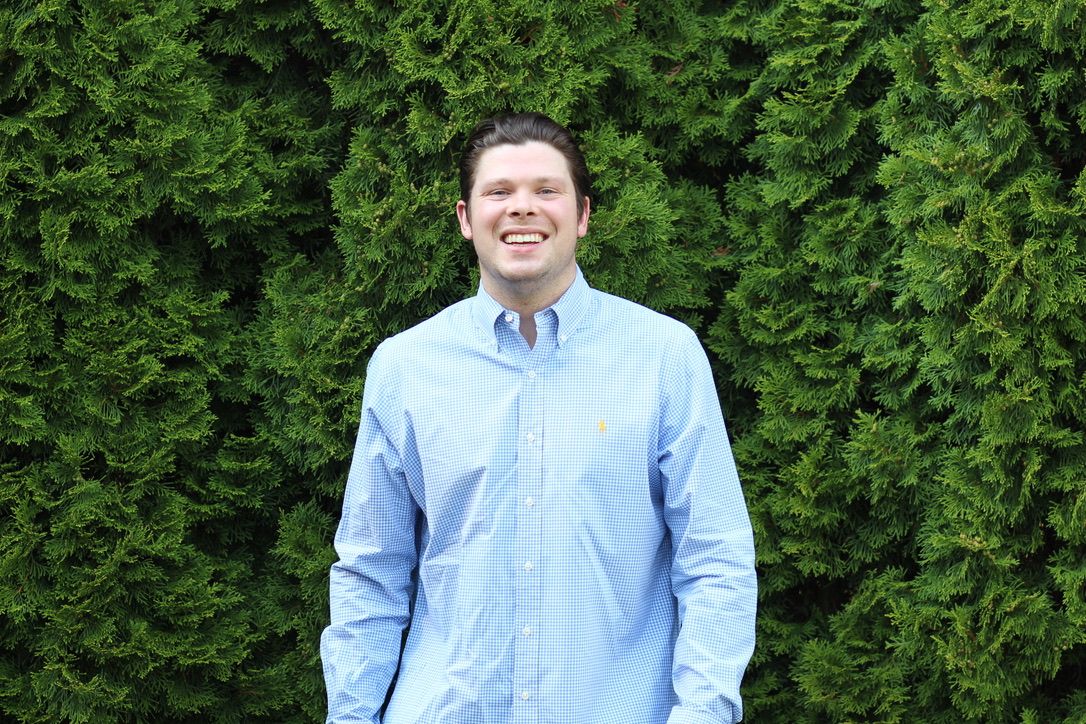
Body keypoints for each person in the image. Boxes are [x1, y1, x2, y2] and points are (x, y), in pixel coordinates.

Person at [320, 112, 757, 723]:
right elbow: (372, 570)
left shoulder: (663, 356)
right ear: (466, 219)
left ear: (581, 215)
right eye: (498, 192)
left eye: (546, 191)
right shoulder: (404, 367)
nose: (522, 208)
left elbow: (716, 560)